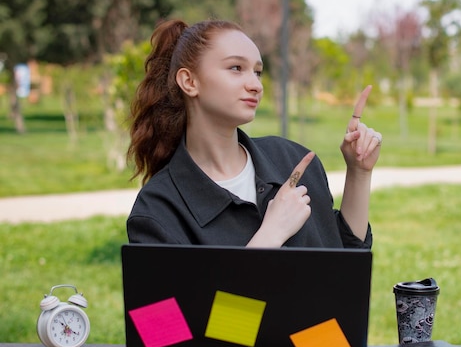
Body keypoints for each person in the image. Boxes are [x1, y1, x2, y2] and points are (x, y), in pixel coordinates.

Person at [126, 18, 382, 248]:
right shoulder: (158, 209)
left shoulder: (295, 160)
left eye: (257, 72)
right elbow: (164, 304)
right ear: (189, 82)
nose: (255, 85)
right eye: (236, 68)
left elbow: (345, 266)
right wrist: (269, 236)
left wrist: (359, 173)